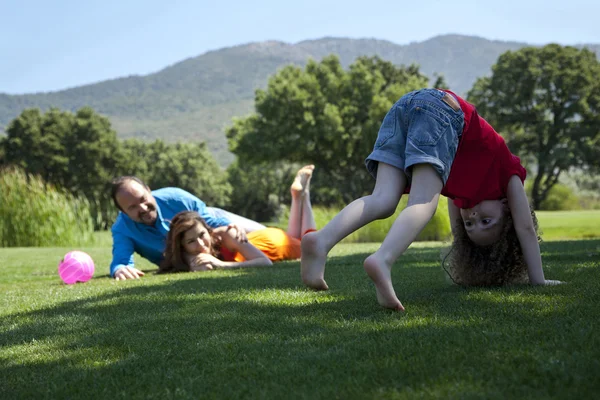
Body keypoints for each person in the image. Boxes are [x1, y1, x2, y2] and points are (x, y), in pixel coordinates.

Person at [300, 88, 559, 311]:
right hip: (443, 112)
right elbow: (525, 227)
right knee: (423, 202)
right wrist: (538, 280)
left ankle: (321, 240)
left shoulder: (461, 198)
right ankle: (383, 259)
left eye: (471, 225)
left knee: (383, 199)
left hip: (403, 108)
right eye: (487, 221)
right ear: (507, 211)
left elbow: (459, 230)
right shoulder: (508, 175)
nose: (472, 218)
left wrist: (465, 239)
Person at [158, 165, 317, 273]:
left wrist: (221, 265)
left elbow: (265, 263)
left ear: (209, 231)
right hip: (272, 239)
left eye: (202, 235)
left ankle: (306, 194)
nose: (200, 244)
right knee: (296, 237)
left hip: (274, 244)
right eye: (191, 241)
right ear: (182, 246)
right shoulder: (187, 255)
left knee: (310, 243)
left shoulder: (227, 234)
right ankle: (299, 195)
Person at [110, 176, 266, 280]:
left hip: (213, 220)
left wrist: (229, 224)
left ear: (149, 190)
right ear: (123, 211)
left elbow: (209, 221)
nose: (143, 208)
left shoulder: (177, 198)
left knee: (269, 236)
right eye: (132, 207)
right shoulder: (122, 229)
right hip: (195, 256)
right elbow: (121, 262)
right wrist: (120, 269)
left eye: (143, 199)